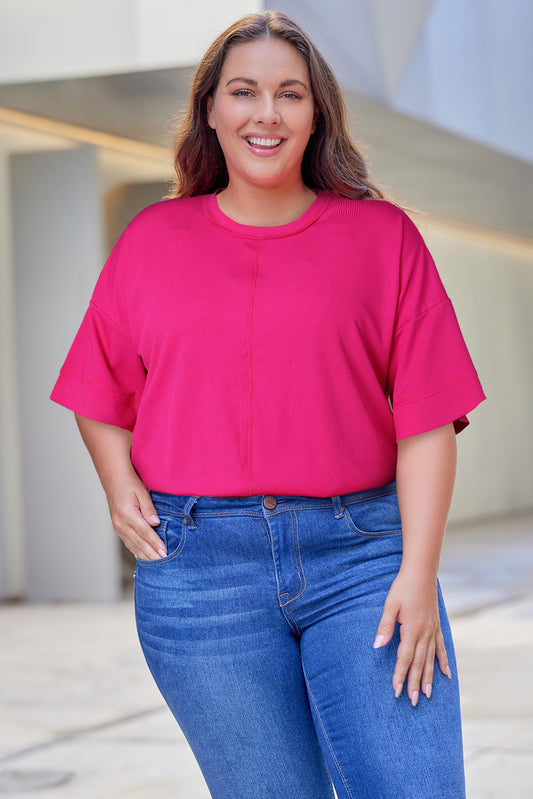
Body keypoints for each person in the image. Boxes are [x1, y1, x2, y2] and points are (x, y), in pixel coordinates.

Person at [50, 10, 486, 799]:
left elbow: (427, 421)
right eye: (243, 91)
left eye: (289, 94)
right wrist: (119, 485)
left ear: (315, 112)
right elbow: (97, 388)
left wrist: (416, 574)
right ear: (210, 111)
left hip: (361, 560)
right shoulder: (152, 240)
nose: (266, 113)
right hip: (198, 571)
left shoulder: (382, 238)